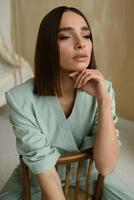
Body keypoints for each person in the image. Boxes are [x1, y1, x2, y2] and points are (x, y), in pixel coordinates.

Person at [0, 6, 133, 200]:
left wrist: (103, 99)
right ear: (48, 46)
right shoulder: (20, 99)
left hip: (92, 176)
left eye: (86, 35)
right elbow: (47, 177)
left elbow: (105, 166)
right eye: (65, 37)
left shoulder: (103, 89)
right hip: (37, 179)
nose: (81, 44)